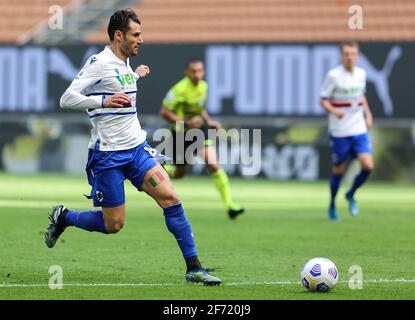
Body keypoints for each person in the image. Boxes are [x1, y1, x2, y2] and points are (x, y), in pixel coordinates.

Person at [44, 8, 221, 285]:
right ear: (118, 35)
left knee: (171, 199)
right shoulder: (99, 62)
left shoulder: (125, 64)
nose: (140, 39)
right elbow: (67, 98)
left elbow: (120, 87)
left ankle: (194, 268)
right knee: (113, 224)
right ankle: (64, 217)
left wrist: (135, 76)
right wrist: (102, 102)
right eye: (135, 34)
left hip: (137, 151)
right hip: (109, 157)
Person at [160, 59, 245, 219]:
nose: (197, 74)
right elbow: (164, 112)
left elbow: (200, 109)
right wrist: (187, 122)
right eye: (193, 71)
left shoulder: (203, 86)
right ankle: (160, 174)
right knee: (179, 173)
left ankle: (230, 206)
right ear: (186, 72)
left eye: (200, 71)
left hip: (199, 132)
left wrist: (209, 121)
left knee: (213, 165)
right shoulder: (179, 89)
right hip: (180, 133)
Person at [320, 41, 374, 221]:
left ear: (357, 55)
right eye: (346, 54)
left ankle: (350, 193)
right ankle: (332, 204)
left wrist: (367, 114)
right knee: (339, 172)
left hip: (358, 129)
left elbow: (360, 97)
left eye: (353, 54)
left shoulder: (361, 74)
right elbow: (323, 100)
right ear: (341, 56)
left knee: (368, 166)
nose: (350, 57)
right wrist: (335, 111)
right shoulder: (333, 76)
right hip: (339, 132)